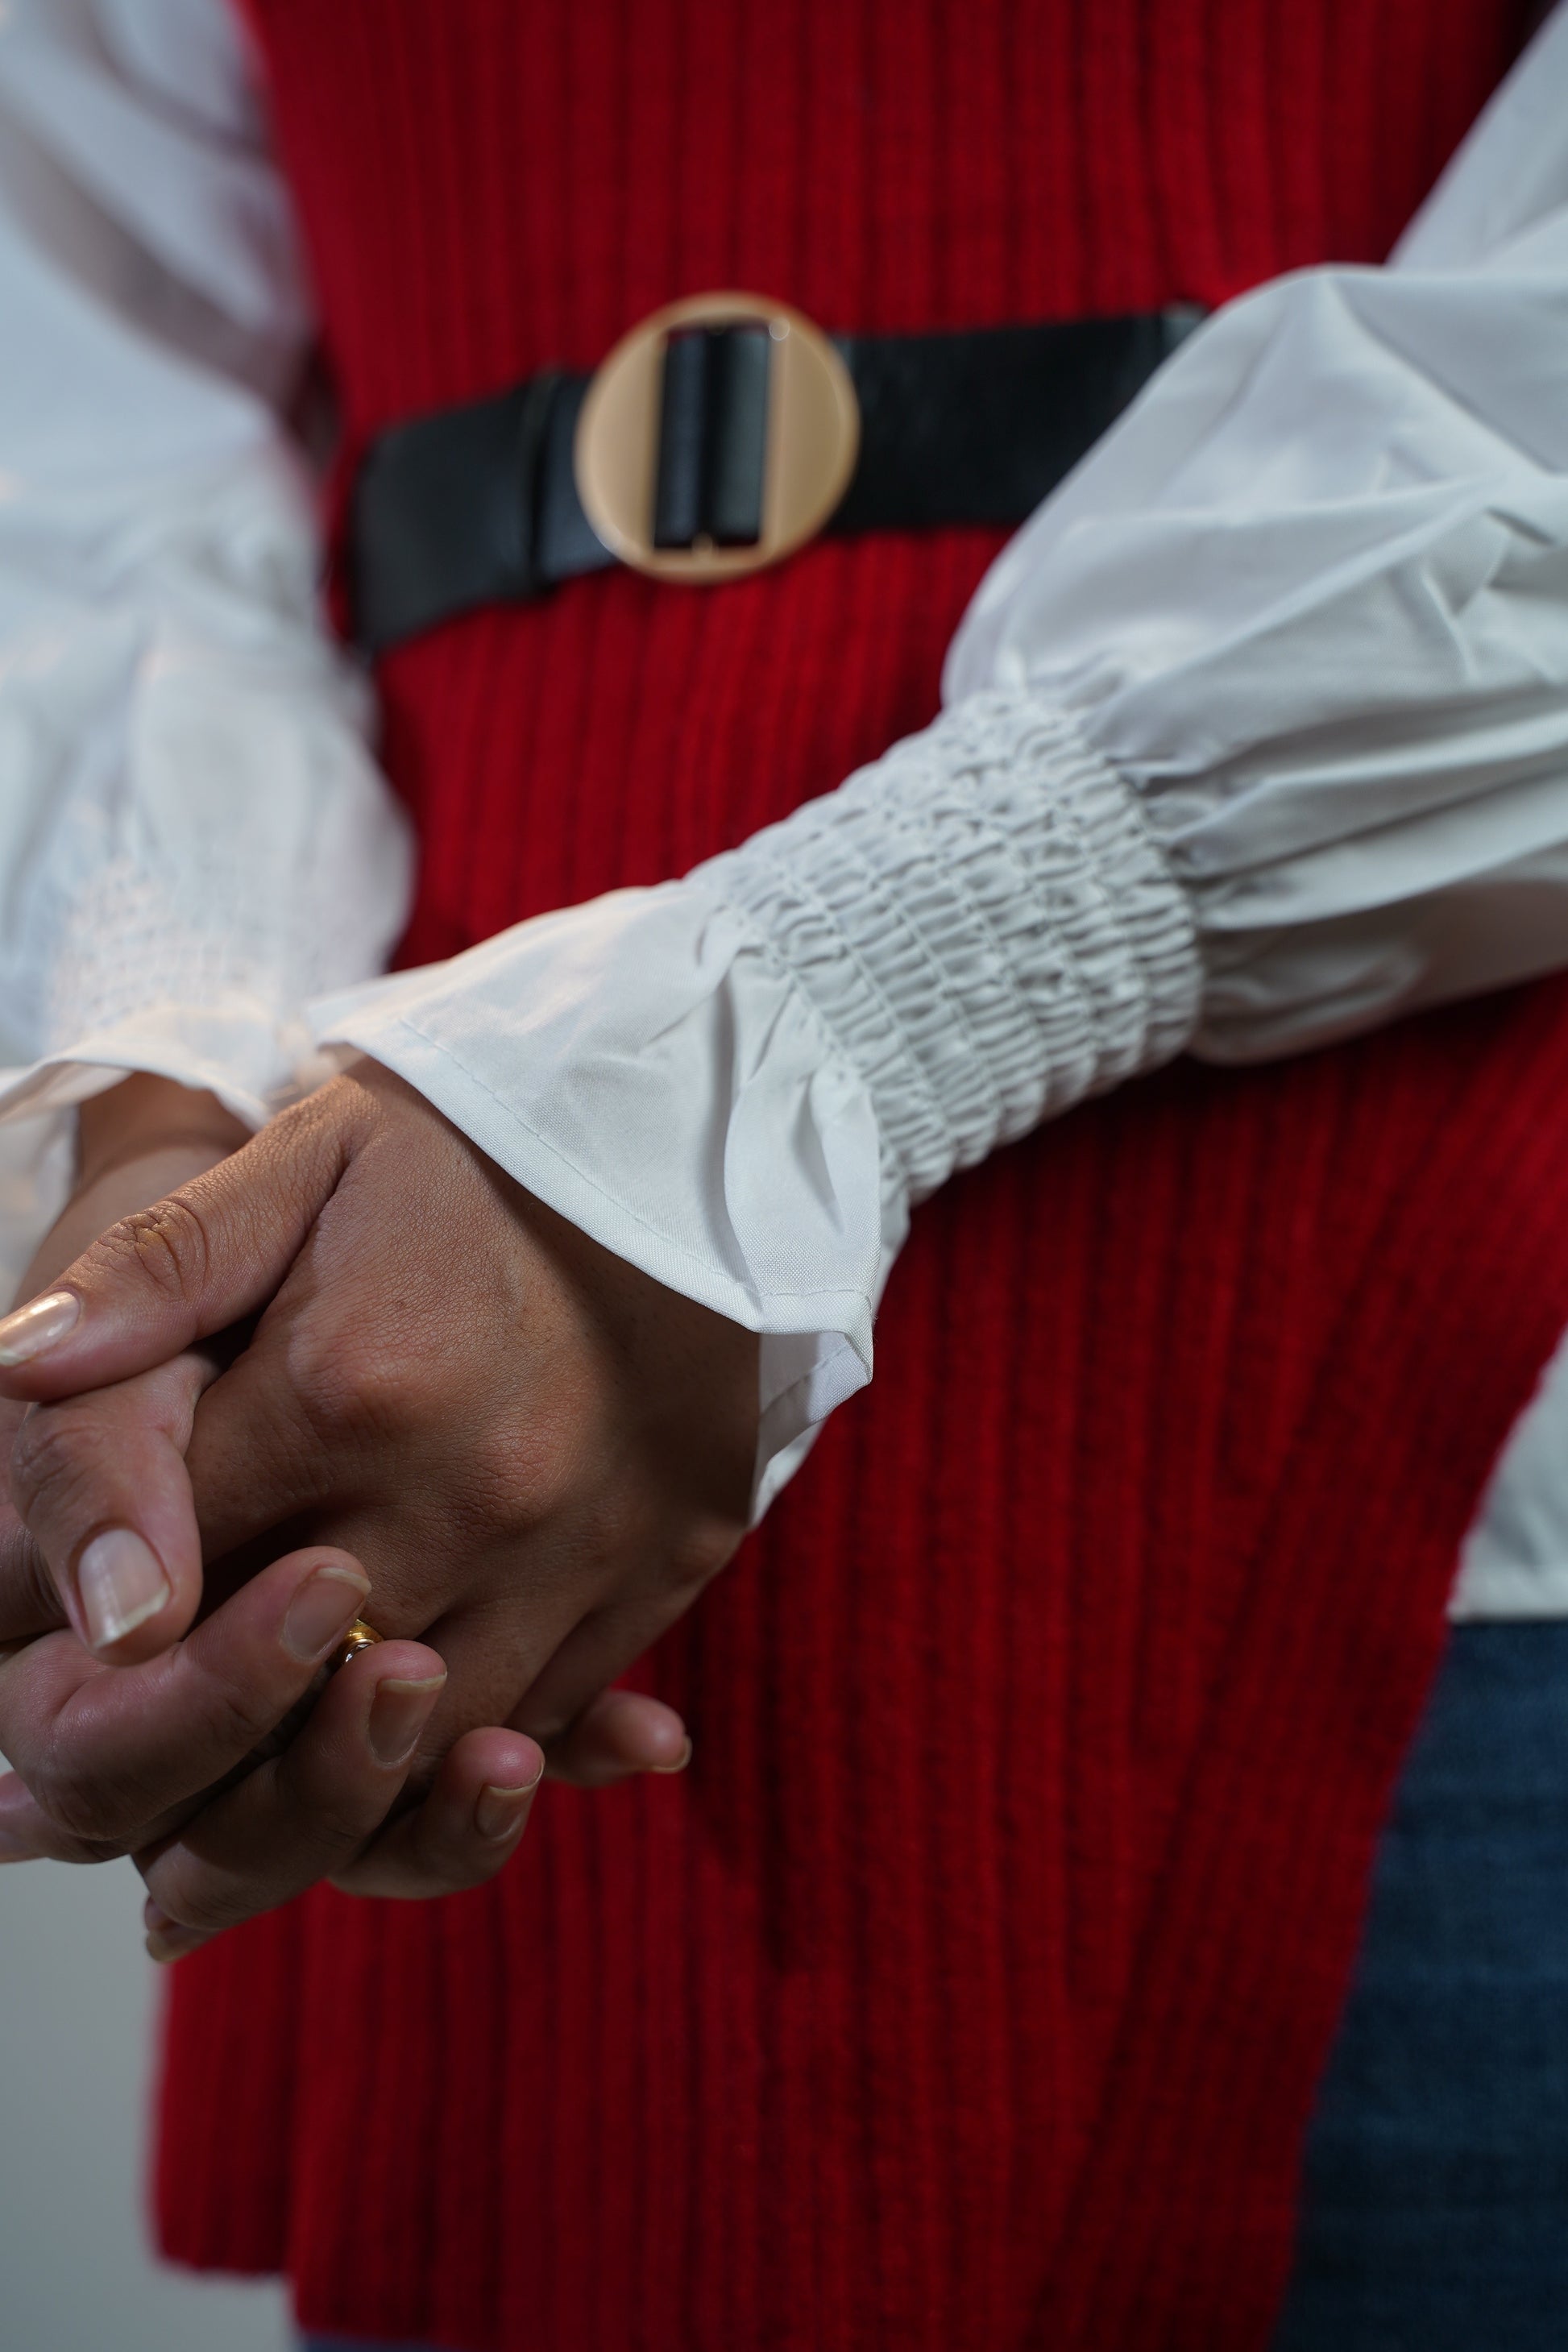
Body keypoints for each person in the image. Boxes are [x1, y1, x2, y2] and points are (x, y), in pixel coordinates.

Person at [3, 0, 1568, 2343]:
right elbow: (93, 371)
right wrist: (176, 1127)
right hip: (434, 1461)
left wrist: (805, 1024)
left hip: (1406, 1482)